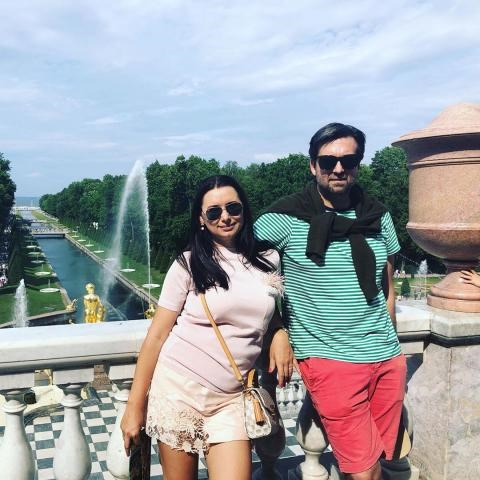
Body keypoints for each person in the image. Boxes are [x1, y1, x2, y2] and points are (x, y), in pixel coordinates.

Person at [254, 123, 406, 480]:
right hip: (329, 358)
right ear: (313, 166)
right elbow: (239, 269)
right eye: (328, 161)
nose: (338, 168)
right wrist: (277, 328)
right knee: (364, 471)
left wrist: (394, 347)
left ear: (358, 165)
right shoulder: (284, 219)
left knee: (380, 459)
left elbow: (387, 287)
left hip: (386, 357)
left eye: (348, 160)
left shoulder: (378, 215)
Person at [121, 175, 294, 480]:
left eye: (233, 208)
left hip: (232, 398)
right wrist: (134, 407)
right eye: (214, 212)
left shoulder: (268, 259)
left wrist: (279, 332)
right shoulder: (188, 264)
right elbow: (157, 336)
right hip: (178, 390)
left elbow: (264, 309)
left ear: (244, 209)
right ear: (201, 219)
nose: (225, 217)